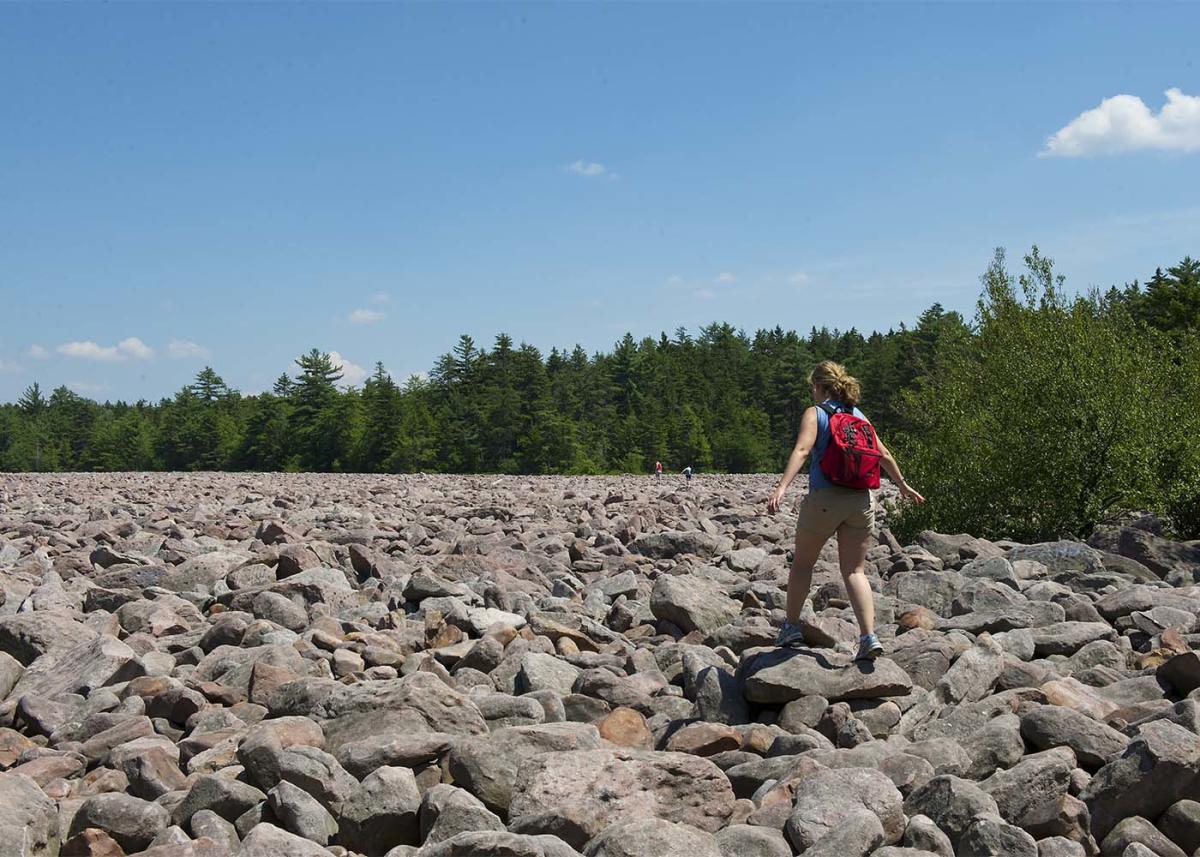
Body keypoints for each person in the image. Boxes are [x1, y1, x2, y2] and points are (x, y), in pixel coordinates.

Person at [766, 360, 925, 660]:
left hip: (825, 500)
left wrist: (782, 487)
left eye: (812, 387)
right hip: (861, 502)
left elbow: (802, 450)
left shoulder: (816, 413)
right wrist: (903, 485)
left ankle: (790, 628)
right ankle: (868, 637)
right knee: (855, 570)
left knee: (803, 564)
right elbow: (883, 453)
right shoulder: (858, 415)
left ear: (818, 386)